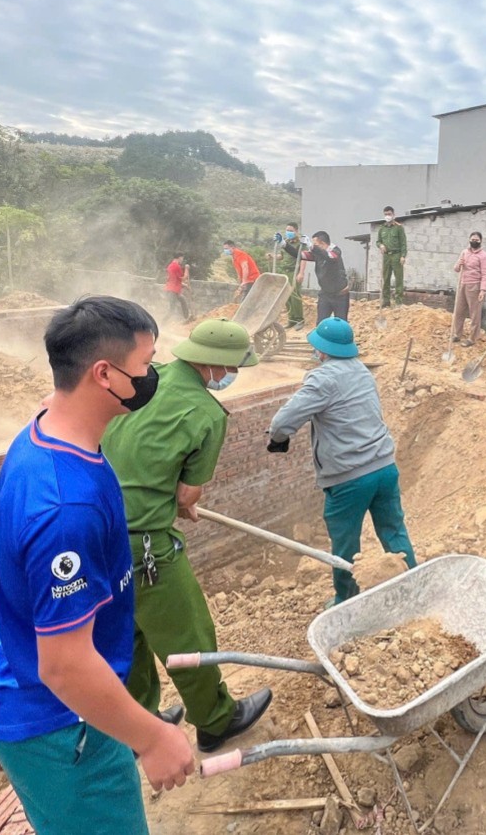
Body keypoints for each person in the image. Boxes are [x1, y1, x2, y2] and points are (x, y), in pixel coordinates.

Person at [0, 296, 194, 835]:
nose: (154, 376)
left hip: (62, 709)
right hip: (63, 727)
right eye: (146, 365)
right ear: (105, 374)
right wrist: (151, 738)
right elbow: (65, 665)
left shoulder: (48, 434)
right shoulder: (65, 511)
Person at [100, 318, 273, 754]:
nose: (232, 377)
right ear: (216, 365)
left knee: (129, 633)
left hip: (98, 530)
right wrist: (181, 501)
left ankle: (140, 723)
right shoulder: (206, 413)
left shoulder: (144, 382)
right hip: (145, 544)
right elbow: (187, 492)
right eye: (232, 368)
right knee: (188, 635)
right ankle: (216, 721)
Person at [266, 317, 417, 606]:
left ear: (322, 351)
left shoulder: (322, 378)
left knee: (345, 544)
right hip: (385, 467)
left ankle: (345, 600)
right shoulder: (362, 371)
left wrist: (279, 438)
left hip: (350, 478)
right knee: (394, 530)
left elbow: (283, 421)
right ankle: (412, 588)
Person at [451, 231, 486, 347]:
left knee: (474, 313)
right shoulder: (464, 252)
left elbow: (485, 274)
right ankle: (457, 334)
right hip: (462, 284)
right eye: (472, 239)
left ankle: (472, 338)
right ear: (469, 240)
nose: (474, 241)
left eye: (476, 240)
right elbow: (456, 269)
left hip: (475, 286)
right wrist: (459, 263)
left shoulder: (484, 256)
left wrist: (482, 290)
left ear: (480, 241)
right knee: (459, 311)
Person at [302, 231, 350, 321]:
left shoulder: (335, 252)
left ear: (323, 244)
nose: (313, 247)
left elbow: (330, 257)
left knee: (340, 324)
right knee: (321, 323)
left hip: (340, 295)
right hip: (325, 294)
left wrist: (313, 248)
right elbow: (301, 255)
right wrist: (285, 245)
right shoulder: (318, 255)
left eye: (315, 244)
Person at [276, 223, 306, 329]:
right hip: (285, 271)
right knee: (286, 295)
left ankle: (299, 319)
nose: (288, 232)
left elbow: (303, 258)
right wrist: (273, 256)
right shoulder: (286, 242)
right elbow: (281, 256)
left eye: (291, 230)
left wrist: (301, 273)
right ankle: (291, 319)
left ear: (296, 231)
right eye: (287, 230)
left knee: (295, 295)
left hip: (294, 272)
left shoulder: (301, 243)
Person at [376, 206, 407, 308]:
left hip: (396, 255)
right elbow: (378, 241)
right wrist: (380, 245)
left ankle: (398, 301)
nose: (387, 216)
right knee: (385, 279)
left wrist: (403, 256)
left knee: (398, 279)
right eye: (385, 214)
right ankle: (386, 301)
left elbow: (403, 243)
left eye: (389, 214)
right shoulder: (382, 228)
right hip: (386, 256)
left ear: (393, 215)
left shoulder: (398, 228)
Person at [163, 254, 190, 323]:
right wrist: (186, 269)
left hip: (172, 290)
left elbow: (176, 280)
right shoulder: (176, 266)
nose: (182, 260)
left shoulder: (170, 266)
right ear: (180, 258)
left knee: (183, 300)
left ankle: (187, 317)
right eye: (182, 258)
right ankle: (162, 323)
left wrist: (185, 286)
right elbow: (184, 278)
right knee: (172, 309)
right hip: (172, 291)